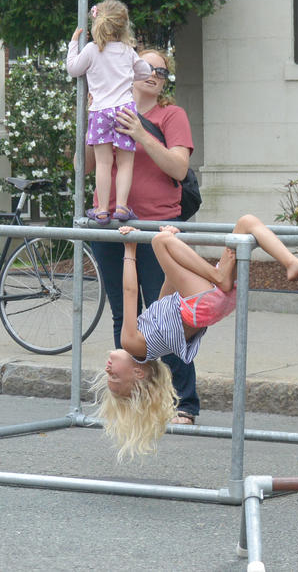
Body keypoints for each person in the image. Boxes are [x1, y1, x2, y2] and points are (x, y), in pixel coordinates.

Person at [93, 216, 298, 460]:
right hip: (201, 303)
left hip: (211, 305)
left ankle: (290, 262)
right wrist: (130, 250)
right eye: (114, 374)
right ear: (138, 373)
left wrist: (174, 242)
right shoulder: (132, 342)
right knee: (159, 241)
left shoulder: (153, 341)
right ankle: (219, 275)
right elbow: (130, 291)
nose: (108, 368)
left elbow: (168, 291)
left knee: (245, 223)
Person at [87, 48, 204, 425]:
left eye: (161, 71)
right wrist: (91, 119)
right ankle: (136, 396)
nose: (153, 74)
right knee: (126, 318)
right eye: (145, 68)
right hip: (111, 226)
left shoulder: (172, 115)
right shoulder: (108, 107)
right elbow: (85, 166)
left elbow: (179, 166)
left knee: (164, 315)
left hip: (156, 228)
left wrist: (140, 132)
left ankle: (184, 402)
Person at [67, 0, 152, 224]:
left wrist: (74, 43)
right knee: (125, 162)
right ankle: (122, 207)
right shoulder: (127, 51)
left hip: (100, 111)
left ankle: (103, 209)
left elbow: (73, 68)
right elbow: (145, 72)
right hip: (124, 110)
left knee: (103, 163)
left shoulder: (92, 50)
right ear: (124, 26)